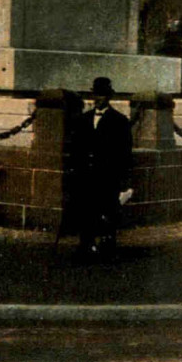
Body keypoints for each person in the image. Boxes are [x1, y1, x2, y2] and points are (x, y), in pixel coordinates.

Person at [70, 76, 133, 261]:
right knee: (86, 210)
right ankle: (85, 244)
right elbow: (77, 147)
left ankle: (108, 246)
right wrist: (75, 169)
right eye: (95, 94)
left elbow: (124, 152)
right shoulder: (84, 119)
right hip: (86, 174)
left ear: (109, 97)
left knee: (108, 211)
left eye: (102, 95)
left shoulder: (120, 121)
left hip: (107, 175)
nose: (97, 99)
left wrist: (123, 179)